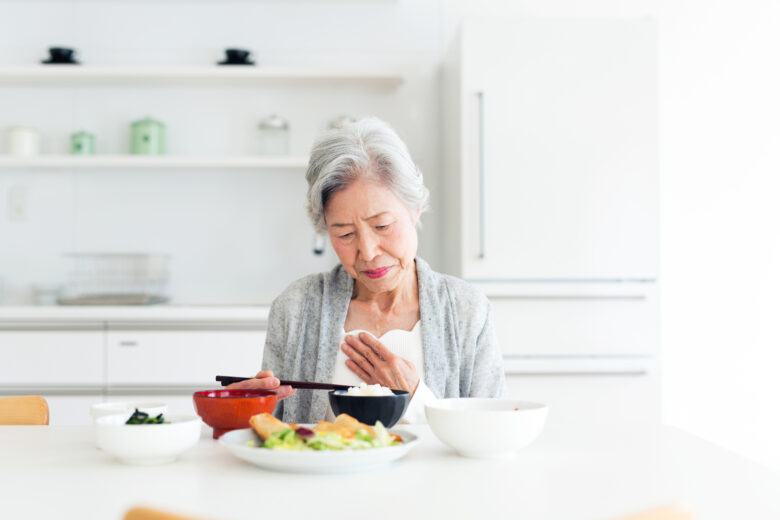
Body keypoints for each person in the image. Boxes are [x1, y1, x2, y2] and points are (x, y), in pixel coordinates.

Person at [228, 117, 505, 423]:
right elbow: (272, 434)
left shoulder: (467, 310)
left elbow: (491, 432)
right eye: (345, 234)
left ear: (414, 209)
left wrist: (416, 396)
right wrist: (246, 412)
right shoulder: (296, 307)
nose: (369, 252)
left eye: (382, 225)